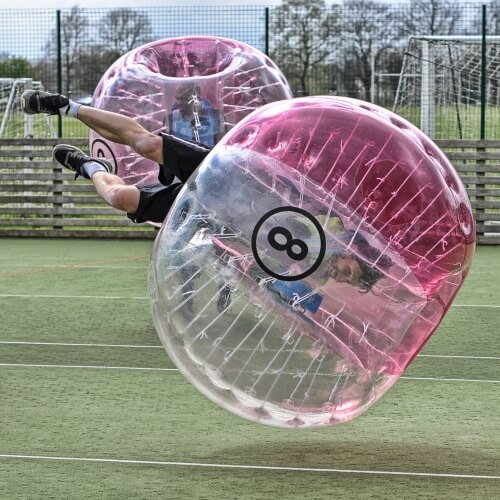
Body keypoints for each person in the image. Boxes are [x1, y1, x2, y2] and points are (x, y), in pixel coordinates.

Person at [21, 89, 212, 224]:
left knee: (119, 197)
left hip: (219, 209)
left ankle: (92, 168)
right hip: (228, 170)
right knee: (148, 144)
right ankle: (66, 107)